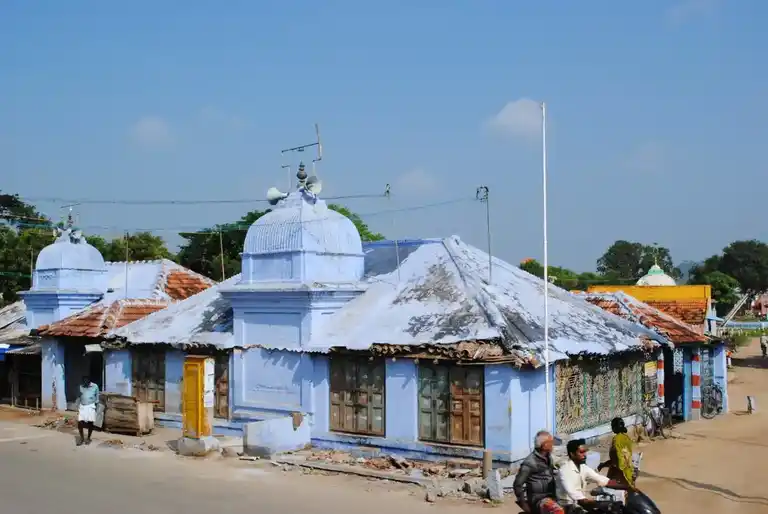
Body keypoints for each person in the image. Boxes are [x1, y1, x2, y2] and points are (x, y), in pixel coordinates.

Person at [556, 438, 634, 512]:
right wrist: (602, 504)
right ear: (572, 454)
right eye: (581, 452)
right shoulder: (565, 471)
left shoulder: (583, 467)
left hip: (579, 506)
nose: (585, 455)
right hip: (566, 508)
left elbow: (601, 479)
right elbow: (579, 499)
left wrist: (628, 487)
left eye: (585, 452)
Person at [513, 431, 563, 514]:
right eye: (551, 442)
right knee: (557, 511)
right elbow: (518, 484)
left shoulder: (548, 457)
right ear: (544, 445)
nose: (553, 444)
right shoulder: (530, 462)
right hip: (539, 499)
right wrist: (524, 504)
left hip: (552, 496)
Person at [598, 417, 635, 487]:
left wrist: (603, 465)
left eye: (612, 426)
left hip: (620, 472)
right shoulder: (627, 437)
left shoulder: (616, 439)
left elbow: (615, 458)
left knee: (606, 488)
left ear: (614, 427)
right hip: (628, 470)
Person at [76, 375, 99, 446]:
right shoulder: (81, 387)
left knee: (90, 423)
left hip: (91, 405)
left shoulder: (95, 386)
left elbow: (97, 397)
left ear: (89, 380)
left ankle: (88, 438)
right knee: (80, 422)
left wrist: (96, 407)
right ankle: (82, 438)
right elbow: (78, 396)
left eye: (87, 380)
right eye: (84, 380)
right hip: (82, 406)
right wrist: (77, 405)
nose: (85, 382)